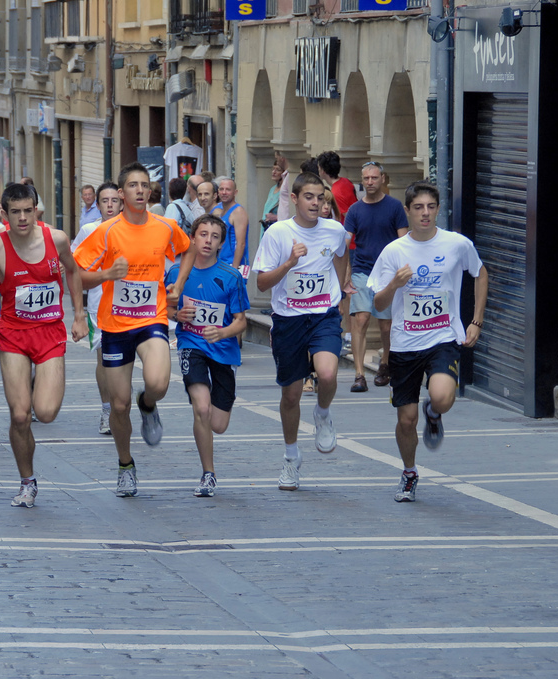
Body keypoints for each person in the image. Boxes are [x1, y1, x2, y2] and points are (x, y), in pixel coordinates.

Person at [74, 162, 195, 497]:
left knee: (158, 383)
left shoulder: (165, 226)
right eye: (133, 185)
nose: (140, 190)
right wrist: (106, 275)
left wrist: (178, 284)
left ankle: (149, 403)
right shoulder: (106, 231)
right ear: (121, 193)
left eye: (145, 185)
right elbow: (77, 273)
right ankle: (125, 464)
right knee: (118, 405)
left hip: (152, 317)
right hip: (115, 324)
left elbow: (187, 249)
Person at [369, 181, 488, 502]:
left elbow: (480, 273)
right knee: (406, 420)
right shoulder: (394, 251)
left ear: (438, 209)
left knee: (443, 398)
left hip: (443, 337)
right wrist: (394, 284)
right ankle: (409, 473)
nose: (425, 213)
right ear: (407, 211)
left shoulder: (456, 244)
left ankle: (434, 413)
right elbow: (379, 303)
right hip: (404, 344)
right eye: (418, 207)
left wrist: (476, 320)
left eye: (431, 207)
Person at [0, 183, 87, 507]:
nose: (22, 218)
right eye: (15, 212)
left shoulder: (57, 239)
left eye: (28, 211)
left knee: (46, 413)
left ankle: (38, 380)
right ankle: (27, 481)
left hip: (49, 334)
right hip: (13, 334)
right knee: (21, 416)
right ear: (4, 214)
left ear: (36, 209)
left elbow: (73, 271)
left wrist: (79, 316)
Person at [252, 171, 355, 491]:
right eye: (308, 197)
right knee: (291, 395)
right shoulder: (278, 234)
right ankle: (291, 457)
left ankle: (322, 413)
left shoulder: (334, 230)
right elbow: (261, 283)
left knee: (327, 373)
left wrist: (341, 288)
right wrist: (288, 264)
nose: (315, 203)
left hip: (324, 315)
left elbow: (342, 254)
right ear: (294, 199)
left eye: (320, 198)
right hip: (288, 320)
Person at [166, 215, 249, 497]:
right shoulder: (176, 274)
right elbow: (164, 308)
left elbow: (241, 322)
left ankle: (210, 424)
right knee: (201, 408)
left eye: (214, 237)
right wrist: (177, 315)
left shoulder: (231, 277)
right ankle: (208, 474)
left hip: (223, 351)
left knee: (218, 424)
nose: (208, 241)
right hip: (191, 344)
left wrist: (223, 332)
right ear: (192, 238)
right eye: (202, 234)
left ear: (221, 244)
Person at [344, 161, 409, 392]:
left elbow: (404, 242)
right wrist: (345, 274)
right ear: (362, 181)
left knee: (386, 325)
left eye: (374, 178)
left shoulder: (394, 207)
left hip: (387, 274)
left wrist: (401, 274)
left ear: (382, 178)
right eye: (366, 178)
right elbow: (345, 243)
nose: (370, 182)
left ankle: (385, 363)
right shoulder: (354, 210)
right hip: (362, 270)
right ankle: (359, 374)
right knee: (360, 319)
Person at [71, 181, 123, 435]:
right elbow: (74, 267)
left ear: (121, 203)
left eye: (114, 200)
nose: (110, 205)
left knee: (128, 360)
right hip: (99, 304)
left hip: (130, 305)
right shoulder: (89, 230)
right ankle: (107, 409)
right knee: (103, 358)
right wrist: (78, 312)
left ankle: (125, 404)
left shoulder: (134, 229)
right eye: (105, 201)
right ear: (97, 205)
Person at [214, 177, 250, 274]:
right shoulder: (220, 210)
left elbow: (241, 243)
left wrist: (234, 270)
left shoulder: (238, 212)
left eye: (228, 190)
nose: (224, 192)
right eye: (221, 189)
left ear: (235, 192)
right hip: (222, 263)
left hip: (234, 265)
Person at [317, 151, 359, 219]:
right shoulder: (345, 181)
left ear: (323, 171)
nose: (318, 170)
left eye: (319, 167)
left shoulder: (335, 193)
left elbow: (349, 217)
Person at [262, 155, 288, 239]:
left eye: (278, 170)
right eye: (273, 169)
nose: (274, 172)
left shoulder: (284, 191)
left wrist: (276, 217)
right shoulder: (272, 189)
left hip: (276, 228)